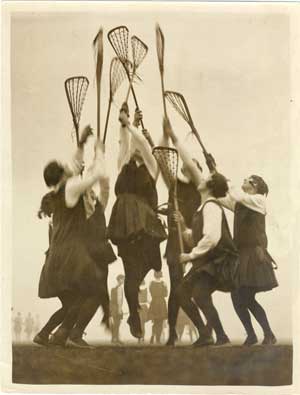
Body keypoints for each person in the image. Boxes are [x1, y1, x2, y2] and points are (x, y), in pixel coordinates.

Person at [164, 117, 239, 347]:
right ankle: (217, 335)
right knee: (196, 295)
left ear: (207, 186)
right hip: (210, 259)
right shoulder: (204, 206)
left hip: (216, 261)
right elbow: (199, 236)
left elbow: (211, 238)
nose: (198, 177)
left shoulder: (211, 206)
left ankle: (211, 335)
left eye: (203, 178)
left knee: (190, 293)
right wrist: (185, 230)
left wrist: (190, 255)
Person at [36, 130, 109, 347]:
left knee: (74, 301)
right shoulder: (71, 188)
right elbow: (97, 175)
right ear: (62, 175)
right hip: (70, 256)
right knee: (92, 292)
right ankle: (65, 334)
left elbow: (74, 165)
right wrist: (100, 152)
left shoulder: (56, 193)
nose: (69, 170)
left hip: (56, 257)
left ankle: (51, 334)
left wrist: (81, 144)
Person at [108, 103, 167, 339]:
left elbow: (140, 143)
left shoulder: (152, 167)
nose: (134, 150)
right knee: (131, 276)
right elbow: (125, 143)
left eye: (139, 148)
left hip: (146, 228)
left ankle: (134, 314)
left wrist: (131, 123)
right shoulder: (123, 165)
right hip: (126, 227)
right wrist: (125, 122)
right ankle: (134, 313)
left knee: (138, 275)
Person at [219, 176, 278, 345]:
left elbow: (237, 196)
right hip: (242, 255)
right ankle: (256, 335)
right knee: (238, 297)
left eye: (247, 180)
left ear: (255, 185)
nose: (242, 181)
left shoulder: (258, 200)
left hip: (252, 254)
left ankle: (267, 334)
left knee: (244, 296)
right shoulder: (242, 203)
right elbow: (222, 199)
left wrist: (224, 180)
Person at [159, 125, 202, 346]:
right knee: (176, 288)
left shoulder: (198, 190)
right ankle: (175, 333)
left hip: (193, 242)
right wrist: (159, 136)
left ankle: (204, 328)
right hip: (174, 245)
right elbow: (163, 163)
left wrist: (183, 221)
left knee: (188, 290)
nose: (185, 167)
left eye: (190, 166)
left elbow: (197, 219)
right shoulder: (174, 188)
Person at [148, 271, 168, 345]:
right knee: (160, 322)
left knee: (155, 322)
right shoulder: (163, 283)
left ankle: (153, 335)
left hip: (154, 303)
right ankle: (158, 339)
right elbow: (166, 294)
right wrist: (165, 287)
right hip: (161, 303)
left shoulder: (151, 283)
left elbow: (151, 293)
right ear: (161, 275)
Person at [110, 274, 125, 345]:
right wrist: (119, 309)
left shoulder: (114, 288)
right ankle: (116, 339)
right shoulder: (119, 288)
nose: (123, 280)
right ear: (119, 280)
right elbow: (119, 300)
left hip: (113, 308)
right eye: (122, 279)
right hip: (117, 308)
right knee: (117, 324)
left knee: (115, 324)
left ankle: (114, 338)